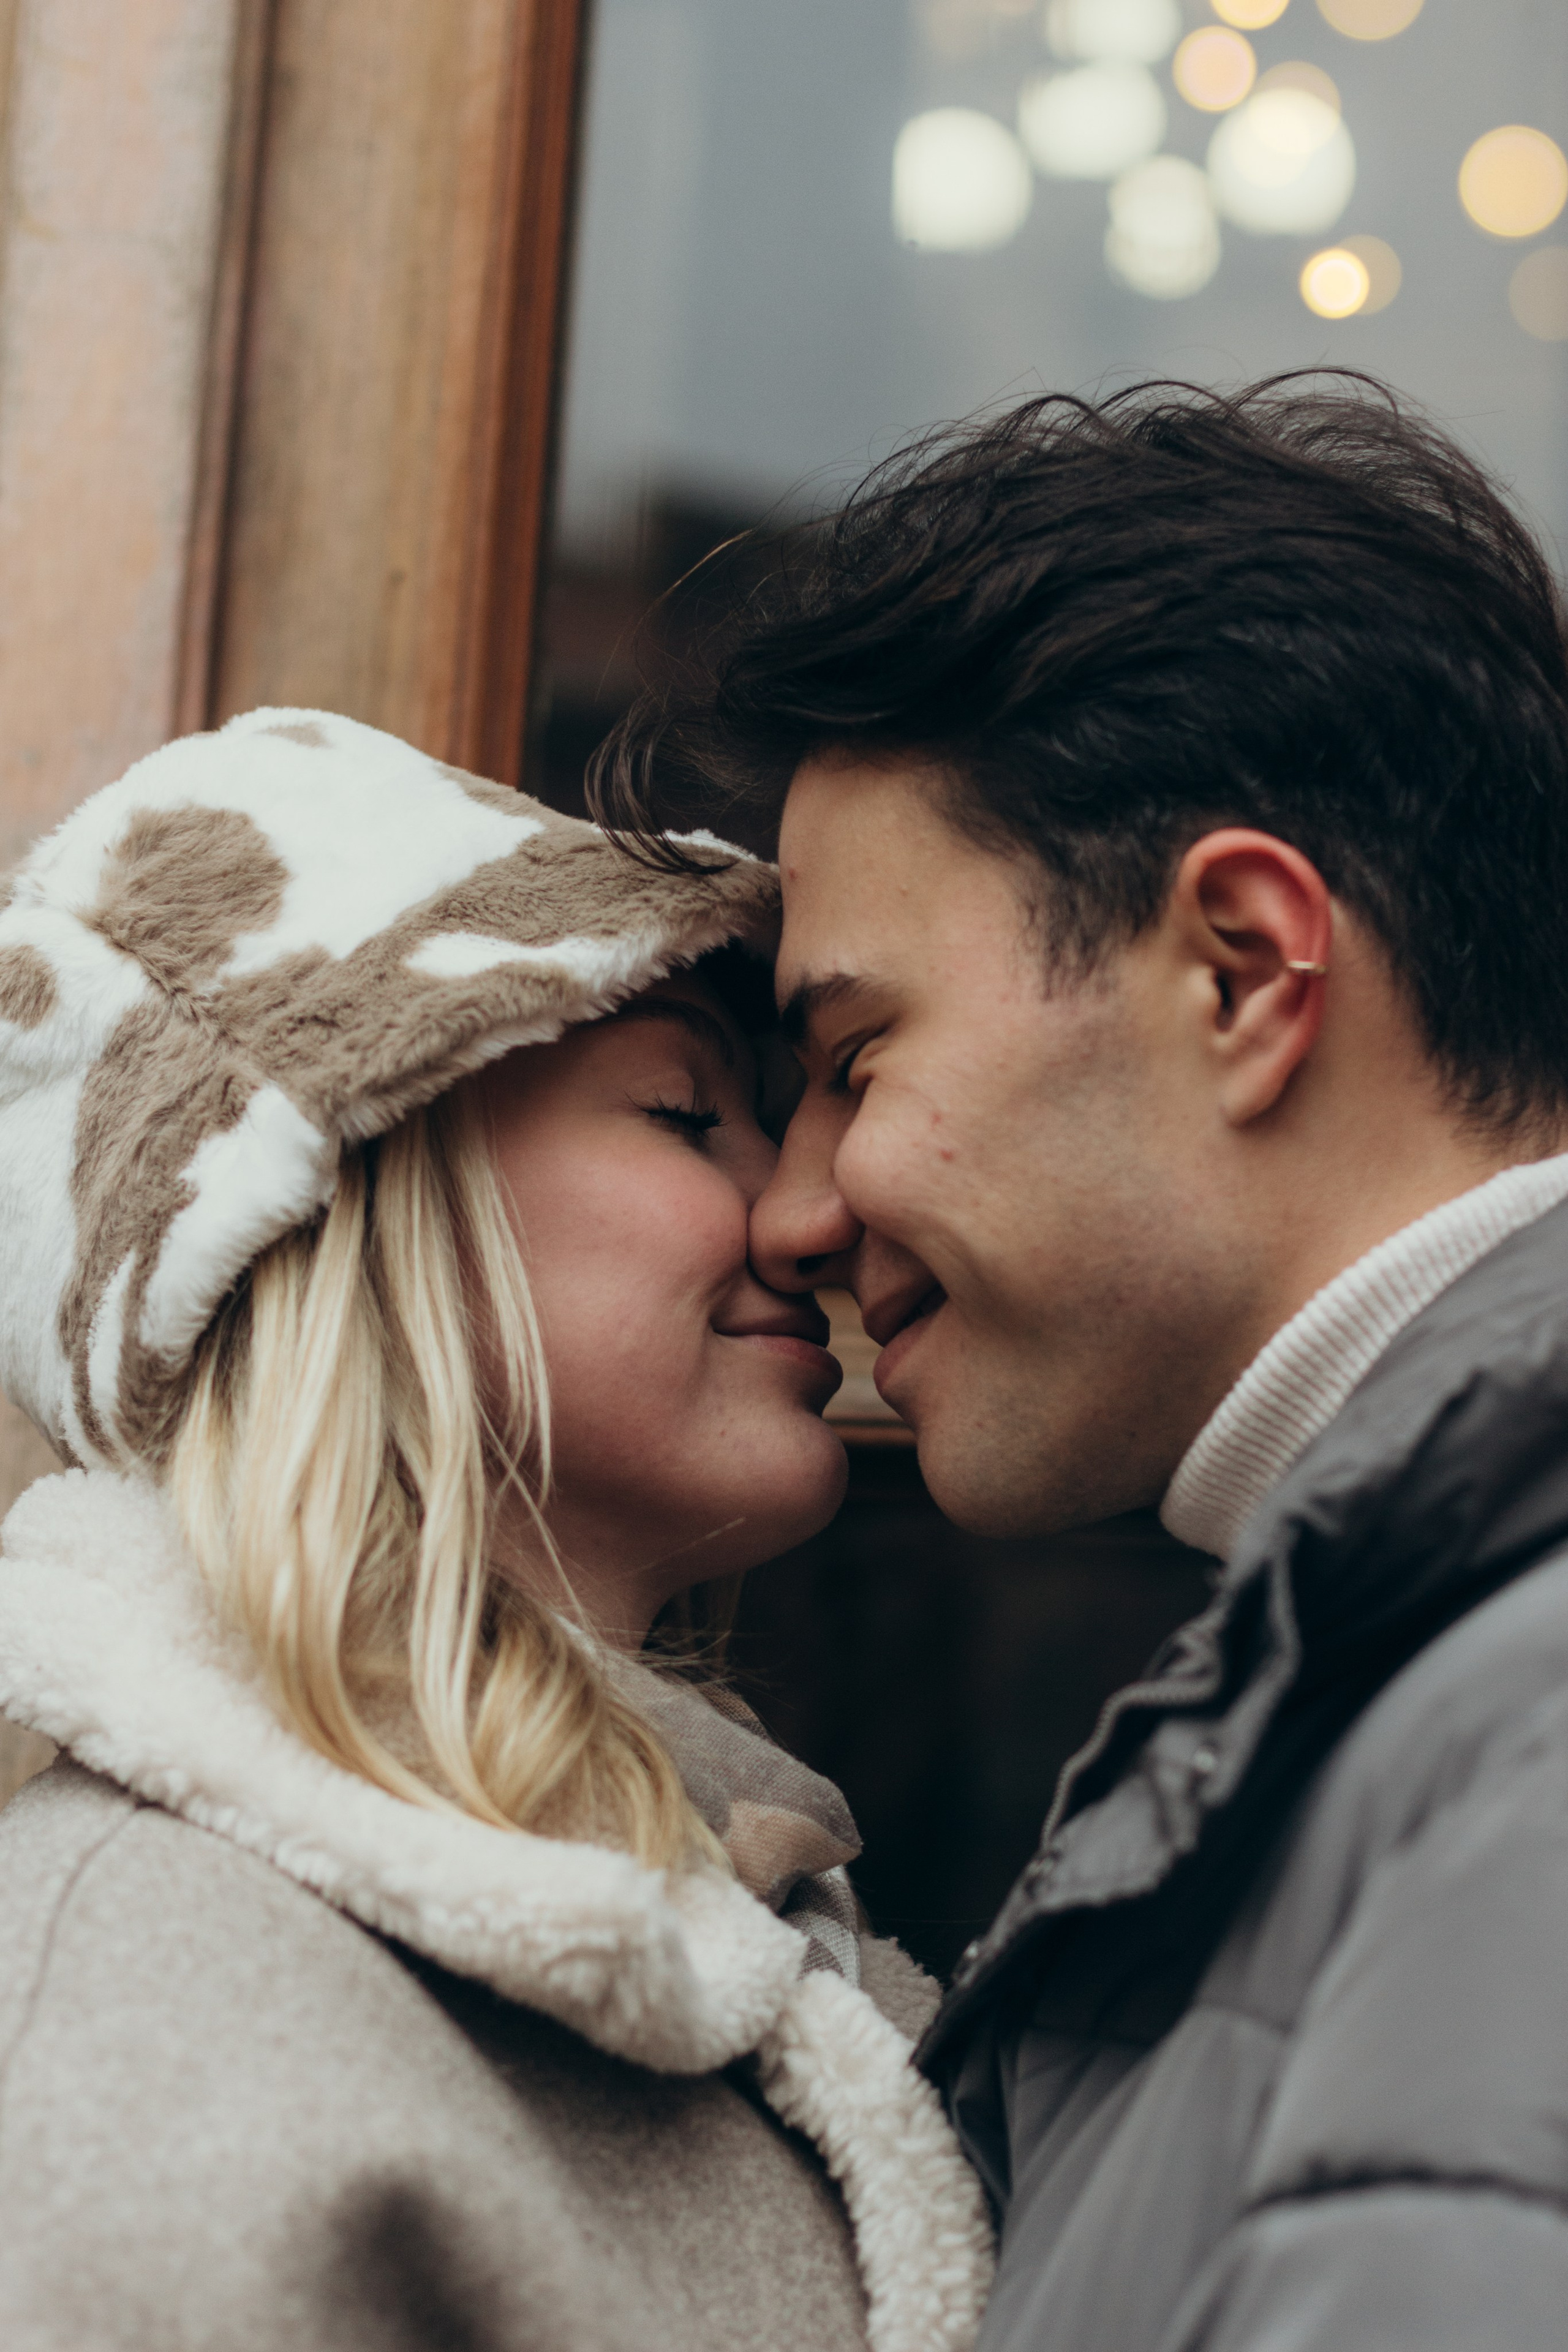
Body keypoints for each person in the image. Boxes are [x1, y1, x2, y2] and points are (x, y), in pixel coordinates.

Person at [593, 375, 1568, 2350]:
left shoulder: (1516, 1710)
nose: (797, 1214)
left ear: (1243, 972)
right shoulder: (1390, 1655)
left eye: (856, 1061)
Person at [0, 709, 993, 2352]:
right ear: (337, 1210)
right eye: (690, 1113)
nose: (809, 1215)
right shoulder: (135, 1993)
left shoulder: (762, 1926)